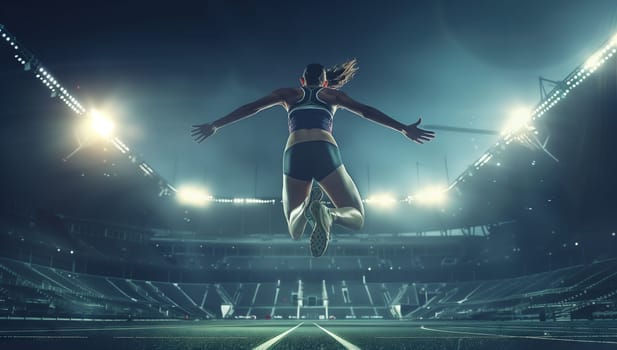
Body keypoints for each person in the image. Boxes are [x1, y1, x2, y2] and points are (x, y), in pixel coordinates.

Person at [191, 59, 435, 257]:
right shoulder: (332, 96)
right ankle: (330, 215)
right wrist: (403, 128)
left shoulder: (288, 94)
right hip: (324, 148)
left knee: (294, 226)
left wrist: (216, 125)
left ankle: (306, 208)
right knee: (357, 216)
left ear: (302, 80)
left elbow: (251, 108)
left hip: (295, 150)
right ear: (326, 81)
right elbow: (367, 112)